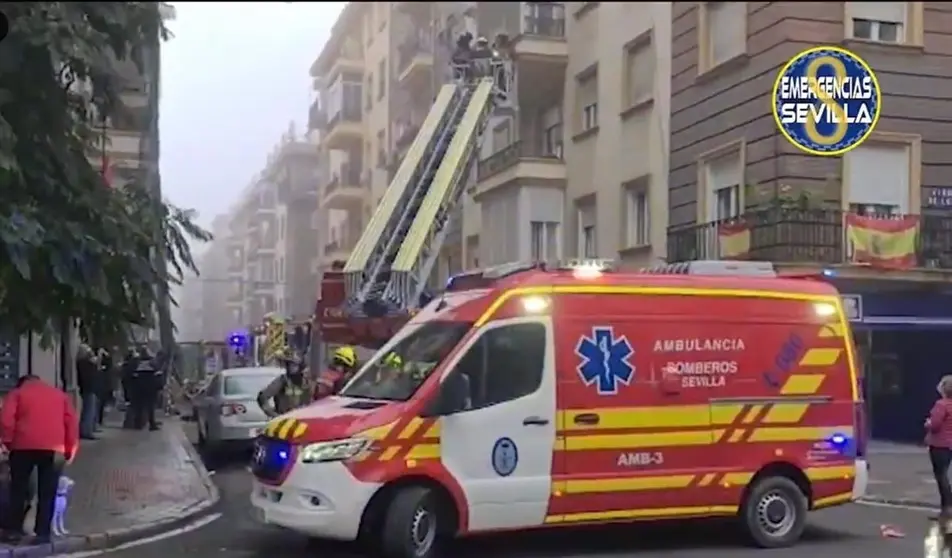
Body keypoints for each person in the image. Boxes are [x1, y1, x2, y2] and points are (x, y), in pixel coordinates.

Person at [0, 374, 78, 544]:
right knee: (47, 491)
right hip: (54, 448)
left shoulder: (17, 394)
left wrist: (8, 441)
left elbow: (6, 420)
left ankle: (14, 530)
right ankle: (42, 533)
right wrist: (70, 450)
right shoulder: (60, 395)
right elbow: (71, 423)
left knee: (18, 489)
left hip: (22, 446)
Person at [257, 351, 315, 417]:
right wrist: (274, 415)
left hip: (302, 419)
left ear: (300, 367)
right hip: (285, 419)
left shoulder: (306, 382)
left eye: (294, 366)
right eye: (289, 365)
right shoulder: (282, 380)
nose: (291, 368)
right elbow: (262, 397)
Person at [927, 375, 952, 518]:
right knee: (945, 475)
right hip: (950, 444)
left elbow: (935, 425)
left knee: (941, 476)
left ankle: (947, 508)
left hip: (940, 444)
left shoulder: (941, 405)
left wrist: (928, 423)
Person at [131, 346, 161, 431]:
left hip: (139, 384)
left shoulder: (137, 362)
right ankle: (152, 424)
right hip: (150, 384)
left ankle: (138, 424)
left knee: (139, 405)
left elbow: (132, 372)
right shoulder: (152, 362)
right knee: (150, 405)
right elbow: (157, 370)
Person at [75, 344, 100, 440]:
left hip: (87, 388)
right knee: (89, 411)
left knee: (88, 410)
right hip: (88, 389)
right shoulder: (84, 363)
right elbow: (91, 373)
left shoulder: (82, 362)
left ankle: (85, 429)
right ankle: (86, 431)